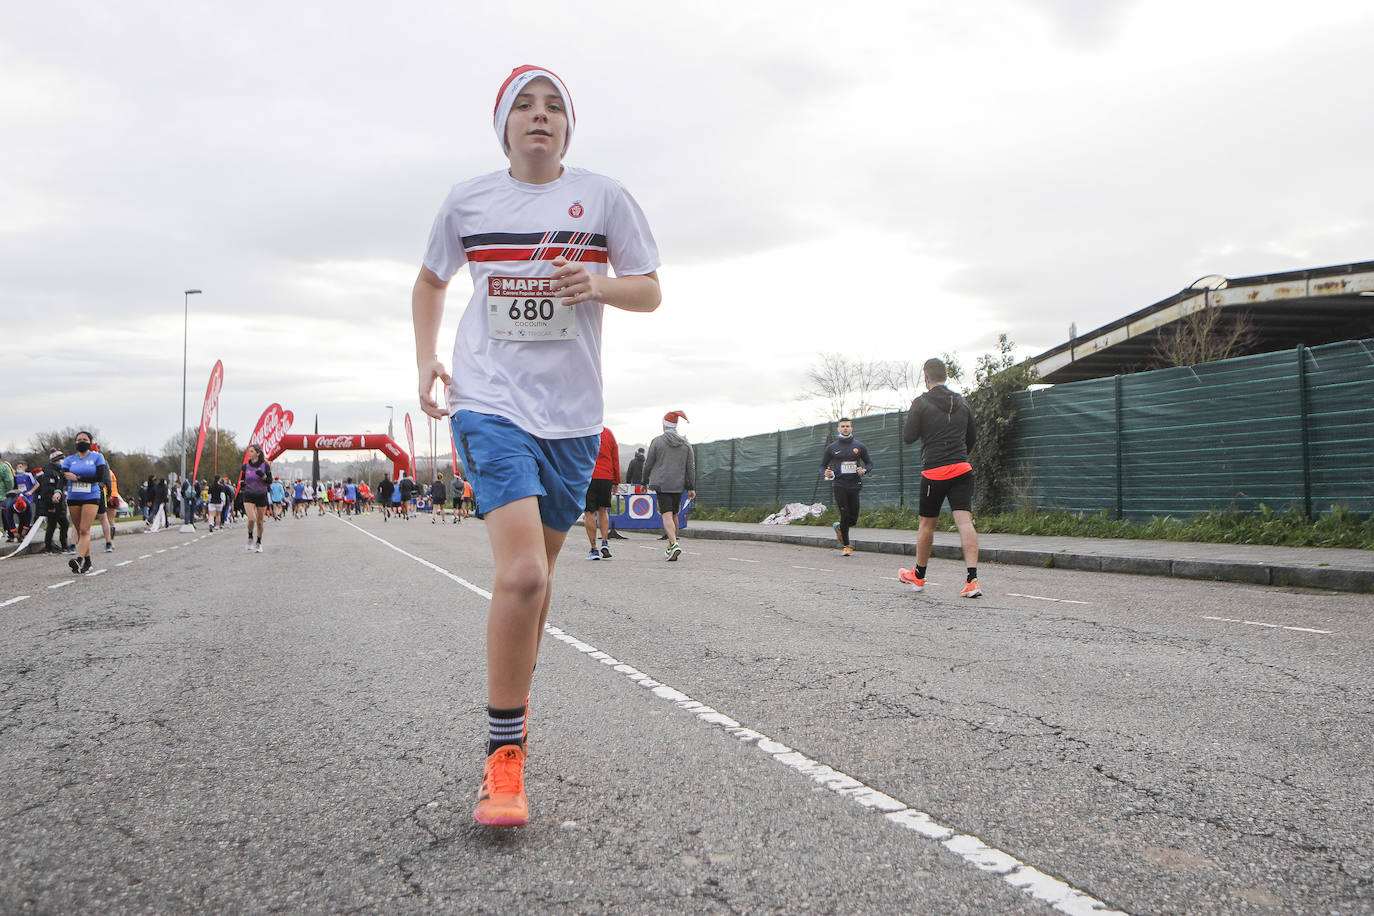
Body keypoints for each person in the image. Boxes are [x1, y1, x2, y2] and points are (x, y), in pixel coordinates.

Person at [411, 65, 661, 828]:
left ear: (568, 128)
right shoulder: (468, 200)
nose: (540, 116)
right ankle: (504, 759)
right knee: (520, 577)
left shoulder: (605, 197)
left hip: (574, 418)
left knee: (539, 584)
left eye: (554, 106)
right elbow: (429, 283)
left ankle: (511, 709)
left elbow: (648, 286)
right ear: (504, 125)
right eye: (525, 105)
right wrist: (427, 361)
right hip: (489, 400)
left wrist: (595, 284)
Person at [898, 358, 982, 598]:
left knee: (927, 525)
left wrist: (915, 412)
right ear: (946, 376)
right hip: (962, 469)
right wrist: (959, 457)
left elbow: (908, 436)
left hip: (934, 472)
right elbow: (972, 437)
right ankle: (972, 580)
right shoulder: (962, 401)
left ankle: (919, 576)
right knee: (965, 522)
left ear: (926, 378)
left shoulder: (921, 403)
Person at [642, 411, 694, 561]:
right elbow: (690, 467)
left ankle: (674, 543)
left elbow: (649, 463)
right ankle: (671, 546)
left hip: (662, 483)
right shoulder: (685, 443)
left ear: (665, 425)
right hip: (679, 484)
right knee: (675, 514)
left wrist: (644, 481)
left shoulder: (657, 441)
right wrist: (691, 487)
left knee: (666, 515)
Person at [820, 418, 872, 558]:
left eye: (847, 426)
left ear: (851, 428)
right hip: (839, 485)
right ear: (838, 429)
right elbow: (822, 465)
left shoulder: (859, 446)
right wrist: (825, 472)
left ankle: (840, 528)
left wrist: (864, 470)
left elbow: (869, 463)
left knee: (853, 518)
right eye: (842, 426)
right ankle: (847, 546)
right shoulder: (831, 448)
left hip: (854, 484)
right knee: (844, 513)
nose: (845, 428)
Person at [61, 431, 108, 573]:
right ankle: (87, 562)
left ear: (90, 442)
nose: (81, 441)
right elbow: (63, 478)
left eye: (84, 439)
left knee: (84, 529)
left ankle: (79, 559)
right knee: (79, 530)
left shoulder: (97, 457)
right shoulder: (69, 460)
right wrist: (58, 491)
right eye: (79, 439)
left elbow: (99, 477)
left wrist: (77, 478)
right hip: (73, 496)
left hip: (91, 496)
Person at [582, 426, 620, 560]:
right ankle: (605, 541)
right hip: (606, 476)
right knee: (603, 510)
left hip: (589, 475)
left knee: (589, 512)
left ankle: (594, 549)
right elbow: (615, 457)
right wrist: (616, 480)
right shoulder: (608, 432)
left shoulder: (584, 432)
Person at [236, 444, 273, 553]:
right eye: (249, 451)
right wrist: (242, 483)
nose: (249, 454)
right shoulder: (245, 467)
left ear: (257, 453)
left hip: (261, 495)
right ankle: (250, 537)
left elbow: (269, 481)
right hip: (249, 494)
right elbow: (242, 480)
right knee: (251, 519)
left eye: (252, 451)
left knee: (260, 522)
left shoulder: (265, 466)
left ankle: (259, 542)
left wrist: (263, 476)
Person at [37, 449, 70, 554]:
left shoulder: (59, 472)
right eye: (61, 459)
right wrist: (50, 506)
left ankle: (60, 545)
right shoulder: (49, 473)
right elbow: (47, 491)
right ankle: (50, 546)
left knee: (62, 524)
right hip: (53, 504)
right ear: (56, 460)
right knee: (54, 525)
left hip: (59, 503)